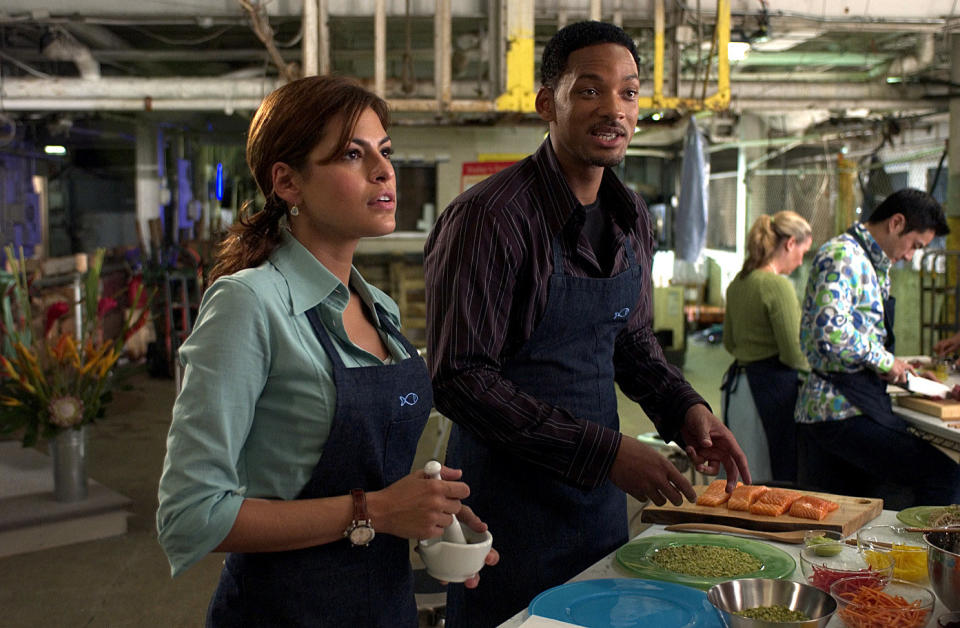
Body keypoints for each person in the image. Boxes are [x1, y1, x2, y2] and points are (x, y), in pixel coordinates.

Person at [424, 21, 750, 627]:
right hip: (507, 513)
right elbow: (459, 377)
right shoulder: (490, 218)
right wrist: (607, 454)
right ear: (548, 102)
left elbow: (631, 341)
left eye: (628, 93)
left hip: (597, 505)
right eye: (590, 90)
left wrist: (686, 411)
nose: (614, 110)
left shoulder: (631, 219)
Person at [156, 75, 496, 627]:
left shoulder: (376, 304)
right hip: (285, 611)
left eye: (385, 152)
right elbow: (191, 516)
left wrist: (432, 517)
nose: (384, 170)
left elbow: (374, 474)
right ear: (287, 183)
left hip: (384, 606)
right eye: (351, 155)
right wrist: (376, 511)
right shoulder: (248, 304)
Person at [795, 187, 960, 509]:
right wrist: (885, 361)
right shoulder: (844, 256)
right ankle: (934, 558)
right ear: (896, 223)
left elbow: (857, 333)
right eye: (915, 245)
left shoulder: (871, 264)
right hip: (836, 409)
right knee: (945, 475)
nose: (911, 255)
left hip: (856, 398)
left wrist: (895, 369)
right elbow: (829, 330)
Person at [722, 211, 812, 485]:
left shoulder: (739, 281)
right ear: (789, 244)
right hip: (770, 392)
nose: (800, 261)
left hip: (738, 391)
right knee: (771, 479)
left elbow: (729, 342)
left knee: (742, 476)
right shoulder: (776, 286)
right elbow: (793, 353)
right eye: (802, 252)